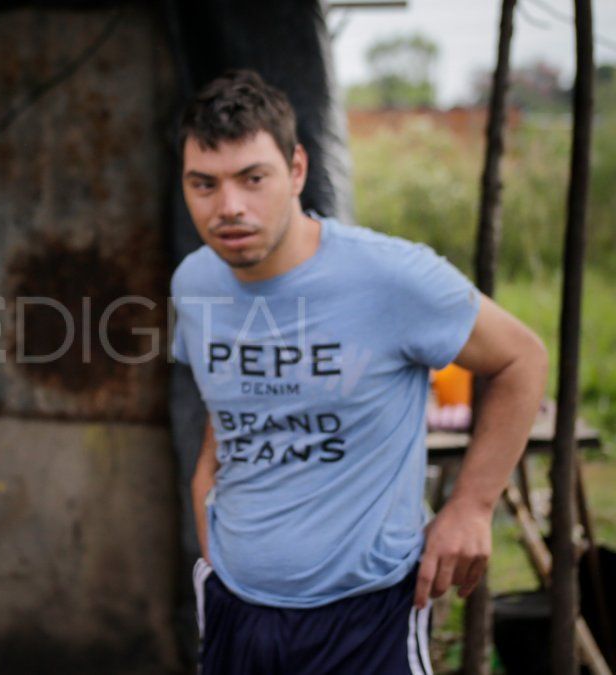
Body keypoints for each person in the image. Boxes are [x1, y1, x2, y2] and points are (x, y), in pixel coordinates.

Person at [171, 70, 547, 674]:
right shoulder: (194, 283)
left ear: (296, 170)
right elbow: (231, 402)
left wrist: (473, 506)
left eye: (252, 178)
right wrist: (206, 499)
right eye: (204, 184)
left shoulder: (389, 278)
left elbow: (521, 358)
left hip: (365, 619)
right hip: (237, 609)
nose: (229, 206)